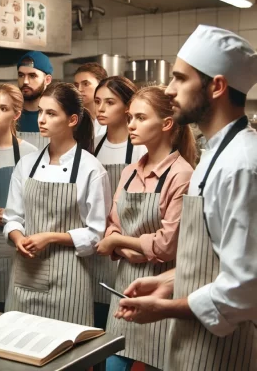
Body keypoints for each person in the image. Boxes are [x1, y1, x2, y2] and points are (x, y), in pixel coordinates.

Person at [115, 25, 257, 370]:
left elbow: (245, 287)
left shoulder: (243, 165)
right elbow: (211, 262)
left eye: (180, 79)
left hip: (227, 349)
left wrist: (165, 308)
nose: (169, 89)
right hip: (195, 343)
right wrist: (166, 281)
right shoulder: (214, 156)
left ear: (217, 86)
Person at [95, 85, 196, 371]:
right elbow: (111, 227)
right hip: (124, 284)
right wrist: (128, 244)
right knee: (113, 362)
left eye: (140, 118)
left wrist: (119, 244)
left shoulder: (182, 175)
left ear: (166, 124)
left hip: (161, 293)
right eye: (129, 117)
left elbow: (166, 246)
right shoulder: (129, 172)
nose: (131, 125)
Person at [3, 81, 111, 324]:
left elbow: (96, 234)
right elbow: (12, 217)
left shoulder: (90, 169)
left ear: (72, 120)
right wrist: (18, 238)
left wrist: (50, 237)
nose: (41, 119)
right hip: (24, 275)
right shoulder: (26, 164)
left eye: (51, 113)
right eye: (41, 111)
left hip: (69, 280)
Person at [89, 76, 147, 329]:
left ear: (127, 107)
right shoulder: (93, 146)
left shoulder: (139, 149)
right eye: (98, 101)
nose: (100, 109)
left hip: (125, 247)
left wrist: (118, 243)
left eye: (109, 102)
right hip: (94, 244)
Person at [0, 84, 37, 312]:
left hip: (12, 247)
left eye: (3, 108)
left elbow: (35, 203)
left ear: (16, 115)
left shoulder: (29, 153)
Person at [16, 51, 53, 149]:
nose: (25, 81)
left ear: (47, 80)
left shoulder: (56, 118)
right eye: (21, 75)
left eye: (32, 76)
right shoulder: (11, 115)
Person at [74, 62, 108, 137]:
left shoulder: (113, 118)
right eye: (76, 85)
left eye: (85, 84)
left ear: (101, 85)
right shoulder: (73, 119)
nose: (79, 89)